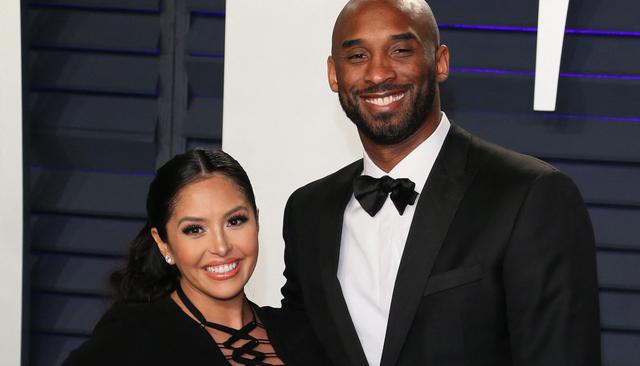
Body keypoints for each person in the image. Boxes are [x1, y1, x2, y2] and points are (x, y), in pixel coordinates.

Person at [280, 1, 601, 366]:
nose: (378, 73)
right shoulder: (308, 212)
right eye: (357, 56)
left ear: (440, 62)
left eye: (400, 50)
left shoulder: (529, 196)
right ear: (334, 74)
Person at [65, 149, 329, 366]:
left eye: (235, 221)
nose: (221, 246)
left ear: (256, 221)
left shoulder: (301, 331)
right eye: (195, 229)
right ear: (163, 243)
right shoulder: (134, 336)